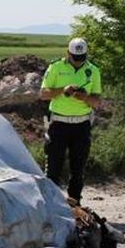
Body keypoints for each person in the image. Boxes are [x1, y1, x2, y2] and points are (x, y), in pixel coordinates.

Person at [39, 37, 102, 202]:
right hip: (58, 124)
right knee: (53, 168)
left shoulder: (93, 70)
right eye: (75, 58)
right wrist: (62, 90)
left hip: (81, 125)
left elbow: (97, 102)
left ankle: (75, 206)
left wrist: (84, 97)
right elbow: (43, 94)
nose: (78, 62)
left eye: (81, 59)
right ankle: (51, 206)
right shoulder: (56, 67)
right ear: (68, 53)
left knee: (78, 170)